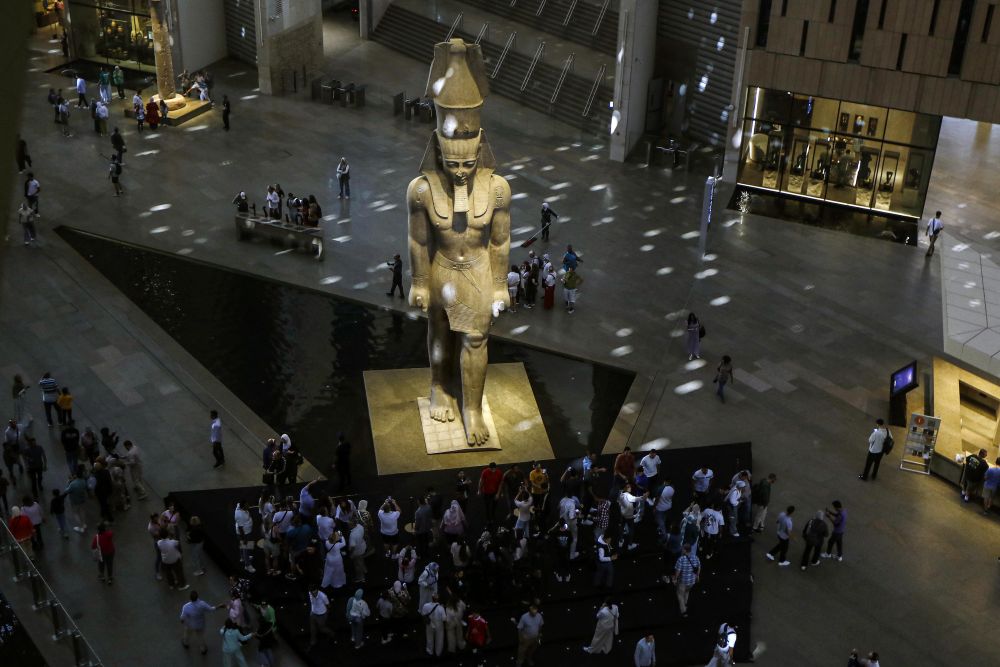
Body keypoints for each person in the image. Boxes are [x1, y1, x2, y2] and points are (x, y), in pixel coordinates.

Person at [180, 590, 223, 654]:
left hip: (190, 624)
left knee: (187, 633)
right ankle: (203, 649)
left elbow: (182, 618)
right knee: (200, 636)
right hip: (200, 624)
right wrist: (219, 606)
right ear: (197, 597)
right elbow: (211, 609)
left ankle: (186, 643)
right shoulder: (202, 604)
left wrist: (183, 621)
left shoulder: (186, 606)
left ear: (190, 598)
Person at [673, 543, 700, 617]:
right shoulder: (696, 557)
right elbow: (698, 567)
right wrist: (697, 576)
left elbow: (678, 571)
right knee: (687, 592)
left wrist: (675, 579)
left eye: (682, 549)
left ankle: (683, 611)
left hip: (683, 581)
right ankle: (685, 604)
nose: (682, 550)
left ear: (685, 550)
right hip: (692, 581)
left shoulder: (681, 559)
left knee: (679, 595)